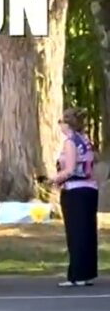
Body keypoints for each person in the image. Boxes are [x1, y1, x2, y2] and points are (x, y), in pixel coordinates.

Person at [51, 108, 98, 287]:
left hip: (75, 190)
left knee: (76, 232)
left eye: (61, 122)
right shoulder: (86, 141)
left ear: (67, 124)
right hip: (90, 189)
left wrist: (54, 179)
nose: (60, 126)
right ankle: (86, 272)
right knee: (87, 231)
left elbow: (69, 169)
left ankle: (76, 274)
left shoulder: (70, 142)